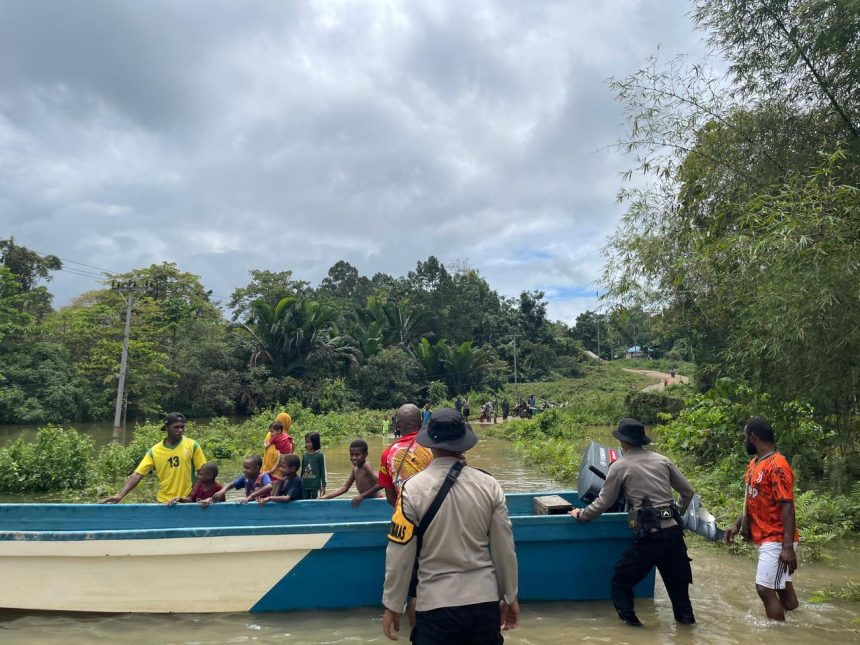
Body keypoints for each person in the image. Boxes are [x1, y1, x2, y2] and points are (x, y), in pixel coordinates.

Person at [382, 408, 519, 643]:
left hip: (435, 606)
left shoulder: (412, 490)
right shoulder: (489, 485)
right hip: (483, 602)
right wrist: (510, 595)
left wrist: (392, 605)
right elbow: (504, 549)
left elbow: (399, 554)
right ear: (464, 445)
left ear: (430, 445)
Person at [570, 418, 696, 627]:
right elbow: (688, 492)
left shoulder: (620, 466)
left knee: (621, 583)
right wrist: (676, 513)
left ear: (623, 442)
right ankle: (687, 632)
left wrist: (582, 515)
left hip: (649, 537)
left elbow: (604, 501)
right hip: (674, 535)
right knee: (679, 594)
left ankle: (634, 631)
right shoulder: (662, 459)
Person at [725, 417, 800, 621]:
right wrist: (737, 524)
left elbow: (787, 505)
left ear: (753, 437)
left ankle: (778, 635)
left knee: (764, 588)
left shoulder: (777, 465)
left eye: (745, 437)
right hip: (765, 537)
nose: (744, 441)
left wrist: (787, 547)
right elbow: (752, 500)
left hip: (776, 538)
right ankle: (798, 627)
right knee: (781, 587)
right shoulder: (755, 463)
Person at [100, 412, 207, 504]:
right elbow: (138, 474)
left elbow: (204, 474)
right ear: (166, 428)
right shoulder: (155, 451)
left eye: (182, 427)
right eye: (176, 427)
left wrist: (194, 496)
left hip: (186, 501)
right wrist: (120, 495)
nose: (180, 430)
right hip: (164, 502)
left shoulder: (192, 445)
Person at [355, 404, 433, 508]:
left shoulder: (387, 454)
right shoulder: (435, 446)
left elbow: (391, 498)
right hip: (437, 512)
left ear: (397, 424)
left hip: (407, 515)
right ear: (421, 422)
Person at [202, 455, 272, 507]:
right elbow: (231, 484)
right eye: (244, 467)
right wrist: (222, 491)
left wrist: (252, 495)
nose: (244, 470)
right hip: (252, 505)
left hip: (264, 505)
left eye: (247, 468)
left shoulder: (263, 476)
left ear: (256, 469)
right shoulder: (245, 478)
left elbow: (269, 486)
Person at [301, 432, 326, 499]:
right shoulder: (304, 455)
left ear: (315, 442)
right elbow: (302, 471)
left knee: (315, 503)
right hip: (305, 485)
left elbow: (323, 471)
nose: (307, 444)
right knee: (304, 503)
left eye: (309, 442)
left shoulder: (320, 456)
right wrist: (301, 483)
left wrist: (323, 485)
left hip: (316, 486)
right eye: (306, 442)